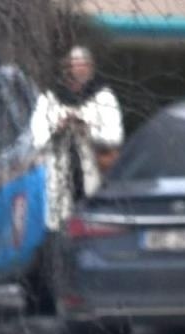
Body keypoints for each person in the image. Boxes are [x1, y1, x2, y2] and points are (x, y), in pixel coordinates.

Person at [30, 46, 124, 237]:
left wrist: (87, 129)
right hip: (59, 171)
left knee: (91, 225)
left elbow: (114, 136)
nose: (80, 70)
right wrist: (57, 127)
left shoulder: (103, 97)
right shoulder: (50, 98)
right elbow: (36, 137)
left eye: (84, 65)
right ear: (67, 69)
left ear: (91, 67)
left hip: (91, 171)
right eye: (76, 65)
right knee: (59, 225)